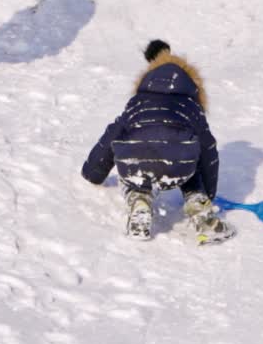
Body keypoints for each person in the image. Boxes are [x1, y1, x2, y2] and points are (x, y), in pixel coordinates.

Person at [81, 39, 235, 244]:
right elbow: (208, 150)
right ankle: (198, 204)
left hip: (138, 159)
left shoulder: (137, 102)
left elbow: (111, 135)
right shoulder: (192, 106)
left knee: (133, 169)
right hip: (178, 166)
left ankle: (139, 200)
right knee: (191, 161)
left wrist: (94, 173)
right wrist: (209, 193)